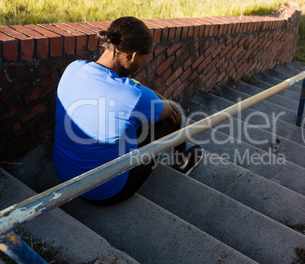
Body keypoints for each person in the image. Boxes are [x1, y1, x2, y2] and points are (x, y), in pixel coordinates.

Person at [53, 16, 203, 206]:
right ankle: (182, 162)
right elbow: (169, 109)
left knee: (133, 118)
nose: (140, 63)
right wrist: (150, 98)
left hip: (64, 179)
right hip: (104, 192)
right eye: (142, 58)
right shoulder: (134, 95)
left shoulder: (73, 68)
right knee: (173, 117)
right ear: (133, 55)